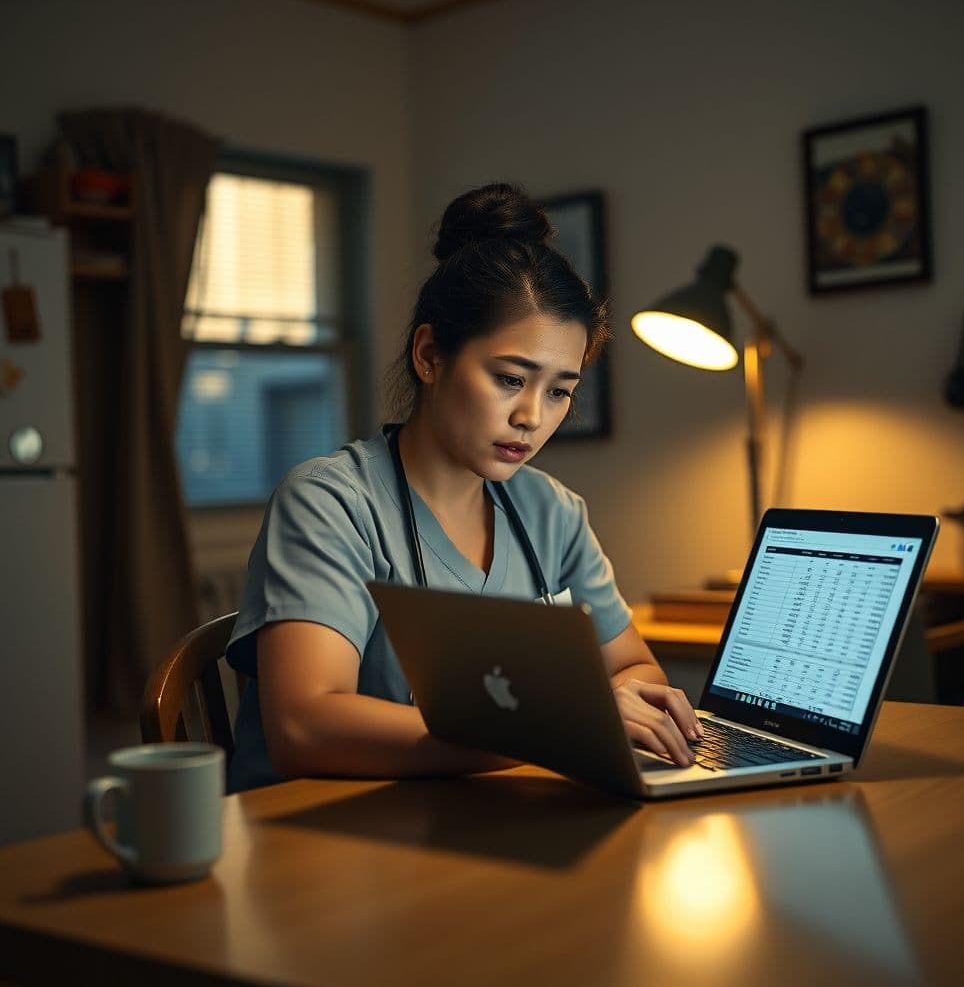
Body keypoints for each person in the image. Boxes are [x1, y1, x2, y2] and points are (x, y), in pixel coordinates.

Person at [224, 182, 702, 793]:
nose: (532, 415)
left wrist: (600, 707)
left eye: (560, 391)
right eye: (509, 378)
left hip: (479, 827)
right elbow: (305, 724)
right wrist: (553, 725)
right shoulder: (331, 503)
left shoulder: (551, 512)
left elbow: (635, 667)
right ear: (430, 355)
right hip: (316, 846)